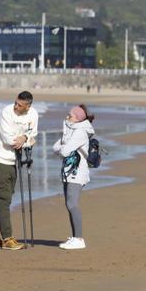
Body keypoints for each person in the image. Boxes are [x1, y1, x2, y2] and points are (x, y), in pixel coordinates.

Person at [0, 91, 39, 250]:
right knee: (3, 198)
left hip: (13, 161)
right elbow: (10, 141)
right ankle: (8, 238)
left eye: (20, 105)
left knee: (0, 197)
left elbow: (33, 133)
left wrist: (24, 138)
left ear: (28, 106)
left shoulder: (33, 114)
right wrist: (25, 139)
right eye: (15, 102)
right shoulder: (6, 113)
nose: (16, 106)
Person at [52, 105, 95, 250]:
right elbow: (55, 147)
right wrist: (62, 147)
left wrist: (62, 148)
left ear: (77, 118)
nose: (67, 117)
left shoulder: (80, 132)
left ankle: (79, 238)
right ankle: (75, 237)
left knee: (72, 205)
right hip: (69, 172)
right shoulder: (70, 130)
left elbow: (64, 151)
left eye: (69, 115)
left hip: (77, 173)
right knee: (69, 205)